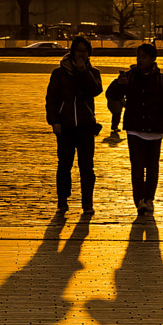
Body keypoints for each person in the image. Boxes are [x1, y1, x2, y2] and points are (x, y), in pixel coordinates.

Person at [46, 35, 103, 216]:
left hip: (86, 126)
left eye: (85, 52)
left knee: (87, 167)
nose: (82, 55)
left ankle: (87, 202)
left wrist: (83, 72)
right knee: (64, 165)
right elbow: (51, 99)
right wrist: (54, 121)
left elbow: (95, 91)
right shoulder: (59, 73)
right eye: (79, 51)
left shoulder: (93, 73)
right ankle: (62, 200)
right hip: (66, 125)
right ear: (72, 52)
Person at [119, 43, 163, 214]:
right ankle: (139, 200)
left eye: (143, 56)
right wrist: (119, 85)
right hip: (135, 128)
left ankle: (149, 199)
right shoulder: (130, 76)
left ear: (153, 59)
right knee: (137, 167)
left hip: (155, 129)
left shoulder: (162, 80)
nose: (140, 60)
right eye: (138, 56)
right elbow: (112, 95)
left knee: (152, 167)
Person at [104, 69, 128, 138]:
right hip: (114, 100)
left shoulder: (119, 83)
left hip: (116, 99)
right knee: (117, 113)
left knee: (117, 114)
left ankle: (115, 126)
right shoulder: (116, 85)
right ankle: (114, 126)